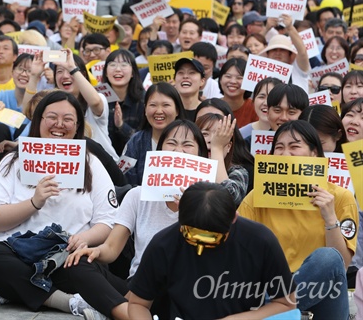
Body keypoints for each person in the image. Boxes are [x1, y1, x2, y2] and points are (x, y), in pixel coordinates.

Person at [0, 91, 129, 319]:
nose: (59, 125)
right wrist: (34, 202)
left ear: (77, 127)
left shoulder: (91, 163)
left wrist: (85, 239)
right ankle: (65, 302)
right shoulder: (12, 162)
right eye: (52, 117)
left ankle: (10, 291)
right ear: (39, 121)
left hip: (67, 255)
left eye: (68, 120)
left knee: (81, 267)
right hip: (19, 253)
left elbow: (107, 220)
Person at [65, 119, 209, 318]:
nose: (178, 150)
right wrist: (95, 251)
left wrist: (189, 212)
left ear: (201, 155)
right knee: (78, 261)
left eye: (187, 145)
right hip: (138, 286)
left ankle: (120, 312)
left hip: (184, 286)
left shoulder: (207, 201)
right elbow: (112, 249)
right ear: (159, 152)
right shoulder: (137, 195)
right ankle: (129, 313)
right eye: (171, 143)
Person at [239, 120, 357, 318]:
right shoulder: (256, 197)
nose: (285, 154)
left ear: (314, 154)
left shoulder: (340, 197)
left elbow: (341, 266)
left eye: (294, 146)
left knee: (327, 258)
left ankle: (266, 314)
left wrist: (330, 219)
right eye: (279, 147)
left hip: (324, 293)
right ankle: (271, 311)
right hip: (270, 288)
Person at [128, 182, 296, 319]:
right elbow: (137, 304)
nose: (201, 246)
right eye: (192, 236)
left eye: (212, 238)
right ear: (179, 213)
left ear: (234, 218)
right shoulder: (163, 244)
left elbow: (286, 303)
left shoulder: (260, 241)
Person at [123, 83, 186, 186]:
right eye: (153, 105)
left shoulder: (191, 139)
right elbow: (123, 180)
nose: (159, 111)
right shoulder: (135, 142)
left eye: (166, 105)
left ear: (177, 110)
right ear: (145, 110)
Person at [102, 50, 145, 156]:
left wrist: (121, 126)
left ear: (133, 73)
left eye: (124, 65)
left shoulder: (143, 100)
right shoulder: (98, 99)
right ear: (106, 73)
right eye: (112, 65)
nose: (117, 69)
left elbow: (143, 142)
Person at [218, 58, 258, 128]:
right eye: (228, 76)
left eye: (239, 78)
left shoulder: (255, 108)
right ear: (220, 79)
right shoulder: (211, 107)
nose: (233, 81)